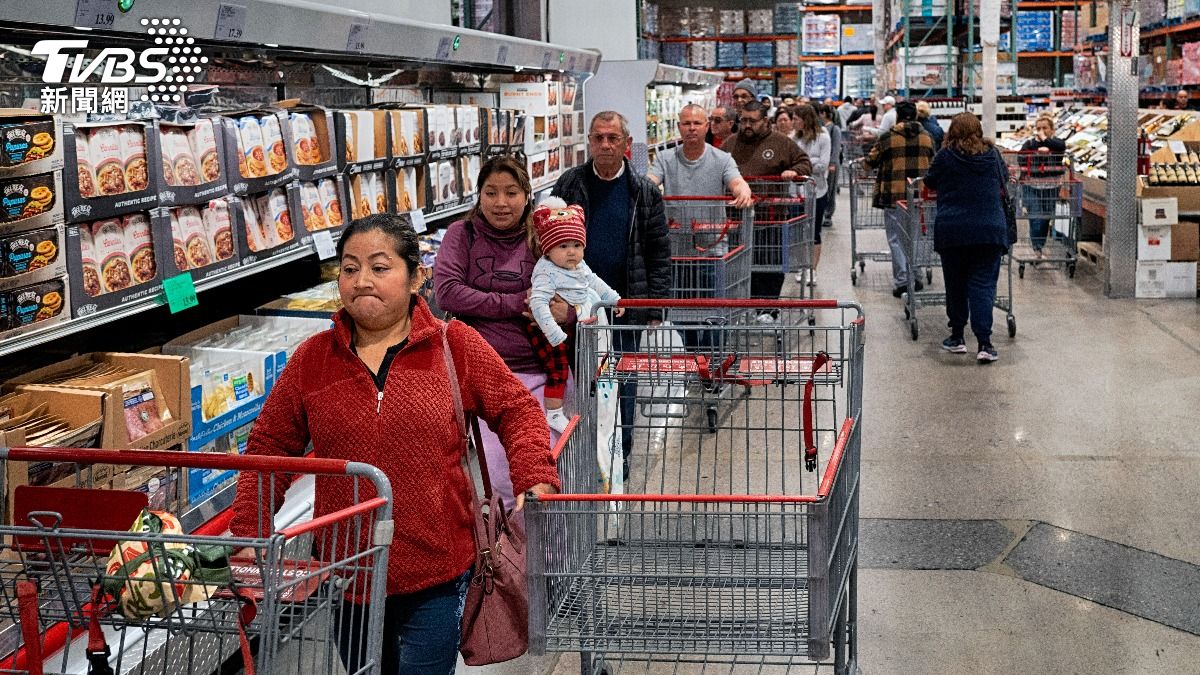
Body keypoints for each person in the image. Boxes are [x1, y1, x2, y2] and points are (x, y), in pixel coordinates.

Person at [230, 214, 560, 675]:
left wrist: (535, 476)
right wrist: (250, 531)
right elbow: (270, 445)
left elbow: (516, 408)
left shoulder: (454, 346)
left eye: (380, 267)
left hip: (439, 575)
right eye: (349, 268)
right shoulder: (312, 360)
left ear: (415, 277)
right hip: (349, 574)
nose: (362, 281)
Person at [435, 155, 573, 507]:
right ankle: (512, 558)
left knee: (551, 477)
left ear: (527, 194)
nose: (501, 202)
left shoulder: (543, 236)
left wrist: (567, 312)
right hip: (484, 377)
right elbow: (448, 290)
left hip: (545, 375)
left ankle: (549, 558)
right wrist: (514, 304)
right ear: (478, 196)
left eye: (511, 192)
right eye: (491, 192)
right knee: (503, 481)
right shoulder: (461, 234)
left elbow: (576, 290)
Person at [552, 110, 671, 478]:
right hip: (577, 309)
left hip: (625, 308)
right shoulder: (570, 185)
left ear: (627, 145)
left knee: (625, 382)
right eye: (598, 138)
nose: (605, 145)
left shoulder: (644, 192)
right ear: (589, 142)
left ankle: (623, 451)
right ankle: (587, 452)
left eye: (612, 138)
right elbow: (548, 242)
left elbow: (658, 250)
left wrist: (655, 306)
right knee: (581, 380)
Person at [527, 197, 622, 432]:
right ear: (547, 248)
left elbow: (595, 282)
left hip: (571, 327)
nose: (572, 252)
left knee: (583, 372)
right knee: (557, 370)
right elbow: (538, 303)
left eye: (577, 245)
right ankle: (554, 413)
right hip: (546, 328)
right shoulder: (545, 271)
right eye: (563, 246)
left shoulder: (578, 267)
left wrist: (615, 299)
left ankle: (585, 409)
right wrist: (554, 333)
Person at [925, 112, 1011, 363]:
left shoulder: (945, 156)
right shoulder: (992, 155)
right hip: (989, 230)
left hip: (954, 230)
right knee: (983, 286)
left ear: (952, 131)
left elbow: (930, 182)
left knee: (956, 284)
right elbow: (1003, 180)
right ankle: (985, 343)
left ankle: (957, 337)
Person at [721, 100, 813, 309]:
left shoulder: (781, 142)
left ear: (765, 120)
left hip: (771, 219)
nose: (746, 126)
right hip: (737, 219)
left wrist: (794, 171)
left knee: (770, 264)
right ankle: (745, 306)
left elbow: (804, 162)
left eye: (752, 121)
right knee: (740, 264)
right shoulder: (730, 143)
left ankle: (767, 308)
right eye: (743, 120)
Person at [864, 100, 936, 298]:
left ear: (897, 117)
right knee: (915, 236)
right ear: (915, 116)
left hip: (894, 196)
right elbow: (934, 163)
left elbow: (870, 162)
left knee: (896, 238)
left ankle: (903, 280)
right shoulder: (926, 137)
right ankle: (917, 275)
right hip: (918, 196)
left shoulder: (888, 137)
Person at [1019, 115, 1067, 264]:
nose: (1041, 131)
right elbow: (1021, 158)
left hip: (1051, 186)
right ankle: (1037, 248)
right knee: (1036, 215)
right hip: (1031, 185)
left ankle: (1039, 246)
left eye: (1045, 128)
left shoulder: (1056, 143)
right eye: (1038, 128)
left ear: (1052, 130)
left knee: (1046, 217)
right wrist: (1036, 153)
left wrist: (1046, 142)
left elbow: (1061, 146)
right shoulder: (1029, 144)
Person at [792, 104, 830, 284]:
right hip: (796, 193)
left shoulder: (823, 137)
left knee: (815, 232)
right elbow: (791, 163)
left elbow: (823, 165)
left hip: (818, 192)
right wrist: (811, 162)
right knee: (798, 231)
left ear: (805, 119)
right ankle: (801, 265)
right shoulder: (794, 139)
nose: (793, 122)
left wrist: (803, 164)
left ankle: (812, 269)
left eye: (796, 119)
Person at [819, 103, 843, 228]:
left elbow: (836, 147)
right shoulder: (821, 128)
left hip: (831, 164)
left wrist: (832, 163)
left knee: (831, 189)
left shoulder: (835, 129)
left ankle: (828, 214)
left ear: (823, 114)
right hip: (823, 164)